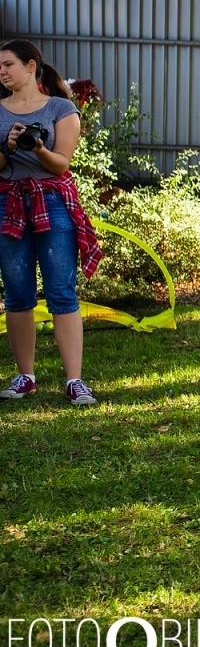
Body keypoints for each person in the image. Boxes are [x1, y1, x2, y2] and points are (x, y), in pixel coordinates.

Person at [0, 40, 103, 406]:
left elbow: (61, 164)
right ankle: (26, 376)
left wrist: (38, 148)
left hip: (53, 202)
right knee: (17, 293)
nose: (2, 71)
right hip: (8, 203)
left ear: (31, 66)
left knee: (61, 290)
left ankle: (75, 381)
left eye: (8, 64)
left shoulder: (61, 108)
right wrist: (8, 148)